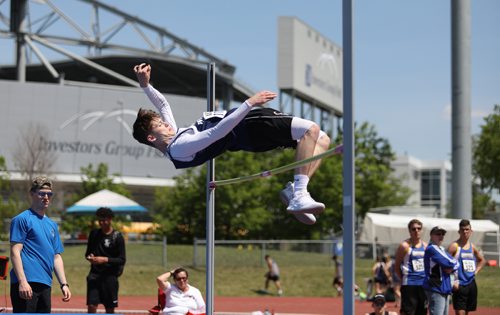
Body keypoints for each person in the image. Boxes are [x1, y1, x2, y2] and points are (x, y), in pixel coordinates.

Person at [132, 63, 332, 225]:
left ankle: (295, 190)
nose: (166, 123)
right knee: (311, 130)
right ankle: (299, 194)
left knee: (321, 139)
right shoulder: (179, 147)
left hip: (248, 132)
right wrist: (250, 103)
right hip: (248, 125)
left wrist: (145, 85)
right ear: (151, 138)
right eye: (159, 124)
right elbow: (215, 132)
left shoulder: (174, 139)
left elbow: (163, 105)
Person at [9, 176, 71, 313]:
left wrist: (64, 284)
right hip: (26, 284)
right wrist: (22, 282)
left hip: (45, 284)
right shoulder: (21, 219)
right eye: (42, 193)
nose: (46, 197)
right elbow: (15, 252)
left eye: (49, 194)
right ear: (32, 194)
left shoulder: (52, 225)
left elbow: (56, 257)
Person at [85, 207, 126, 313]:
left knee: (109, 308)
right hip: (94, 275)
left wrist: (105, 259)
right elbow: (87, 253)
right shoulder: (94, 234)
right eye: (100, 220)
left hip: (110, 277)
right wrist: (90, 257)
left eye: (104, 220)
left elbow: (122, 259)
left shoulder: (117, 237)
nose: (102, 222)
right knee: (92, 306)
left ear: (110, 219)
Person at [448, 219, 486, 315]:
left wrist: (476, 271)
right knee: (460, 312)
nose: (465, 232)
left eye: (467, 229)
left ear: (471, 231)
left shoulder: (472, 247)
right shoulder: (454, 246)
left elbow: (482, 260)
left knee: (467, 312)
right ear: (459, 231)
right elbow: (445, 263)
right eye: (463, 229)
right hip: (459, 284)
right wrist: (452, 281)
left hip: (471, 283)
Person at [394, 219, 427, 315]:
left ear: (422, 230)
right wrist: (403, 279)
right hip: (409, 285)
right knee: (408, 312)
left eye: (419, 228)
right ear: (409, 231)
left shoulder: (426, 246)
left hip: (423, 285)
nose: (416, 231)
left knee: (422, 312)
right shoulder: (404, 246)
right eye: (414, 229)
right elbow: (396, 266)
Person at [423, 226, 459, 315]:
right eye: (438, 234)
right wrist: (452, 266)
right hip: (436, 288)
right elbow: (450, 262)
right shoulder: (432, 248)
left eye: (443, 234)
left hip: (444, 288)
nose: (441, 236)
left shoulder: (441, 249)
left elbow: (456, 263)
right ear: (431, 236)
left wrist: (452, 267)